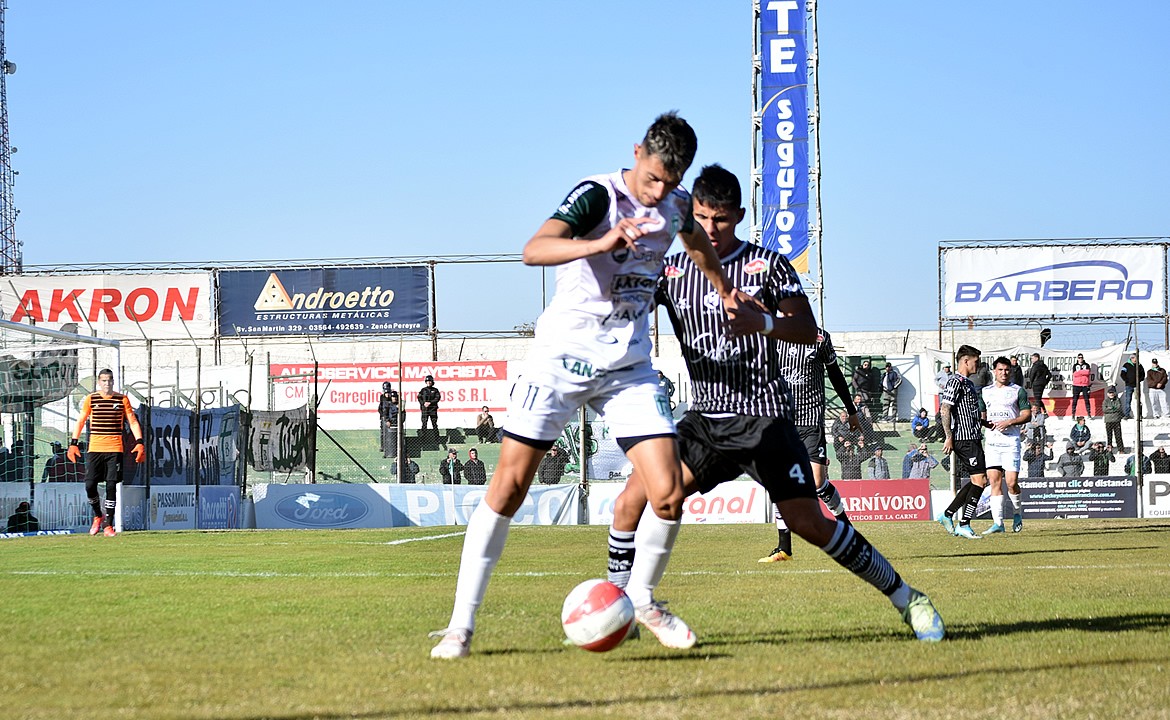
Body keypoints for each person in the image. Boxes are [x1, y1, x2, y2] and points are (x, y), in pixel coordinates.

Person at [431, 113, 745, 659]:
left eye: (672, 183)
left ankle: (643, 600)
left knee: (668, 495)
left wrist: (721, 287)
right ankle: (460, 625)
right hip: (561, 360)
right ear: (637, 153)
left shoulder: (674, 204)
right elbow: (535, 248)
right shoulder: (597, 196)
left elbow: (696, 242)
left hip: (627, 369)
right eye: (652, 179)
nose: (659, 193)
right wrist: (599, 244)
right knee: (508, 488)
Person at [606, 163, 943, 643]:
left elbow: (808, 331)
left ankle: (907, 598)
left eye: (721, 219)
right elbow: (624, 298)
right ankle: (623, 611)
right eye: (701, 217)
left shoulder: (767, 265)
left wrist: (763, 324)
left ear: (739, 215)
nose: (711, 229)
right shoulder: (673, 269)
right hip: (705, 420)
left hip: (765, 421)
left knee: (810, 524)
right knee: (632, 499)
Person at [759, 325, 859, 563]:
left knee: (816, 482)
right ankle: (784, 548)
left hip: (811, 421)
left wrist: (851, 409)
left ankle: (847, 529)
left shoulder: (820, 337)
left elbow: (835, 374)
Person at [68, 369, 145, 537]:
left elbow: (132, 421)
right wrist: (73, 443)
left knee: (111, 485)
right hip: (95, 448)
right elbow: (81, 420)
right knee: (89, 484)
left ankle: (109, 525)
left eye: (110, 380)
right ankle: (97, 515)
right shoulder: (91, 399)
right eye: (104, 380)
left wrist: (139, 442)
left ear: (113, 382)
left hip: (115, 448)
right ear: (99, 382)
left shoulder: (122, 399)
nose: (107, 383)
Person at [936, 345, 989, 540]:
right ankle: (963, 524)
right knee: (980, 481)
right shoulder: (955, 382)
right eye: (976, 361)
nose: (979, 365)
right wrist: (948, 436)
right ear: (966, 361)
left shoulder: (967, 383)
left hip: (973, 437)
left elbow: (965, 411)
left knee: (979, 481)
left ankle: (947, 515)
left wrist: (983, 422)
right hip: (964, 439)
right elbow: (945, 409)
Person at [980, 356, 1032, 534]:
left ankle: (1017, 513)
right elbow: (982, 416)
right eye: (1000, 370)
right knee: (994, 482)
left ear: (1011, 371)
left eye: (1007, 370)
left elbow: (1027, 415)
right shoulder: (985, 391)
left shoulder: (1018, 391)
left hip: (1011, 441)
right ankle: (998, 523)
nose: (1004, 373)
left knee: (1011, 483)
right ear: (994, 371)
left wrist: (1010, 421)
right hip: (993, 442)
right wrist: (986, 423)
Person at [377, 383, 401, 458]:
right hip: (384, 417)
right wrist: (383, 417)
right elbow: (381, 408)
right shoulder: (382, 398)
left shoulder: (393, 399)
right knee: (383, 432)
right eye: (386, 392)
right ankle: (383, 446)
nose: (387, 394)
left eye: (388, 392)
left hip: (390, 418)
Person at [1119, 354, 1144, 420]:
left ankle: (1140, 415)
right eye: (1133, 358)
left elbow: (1143, 374)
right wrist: (1127, 381)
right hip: (1129, 386)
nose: (1135, 359)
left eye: (1136, 358)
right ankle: (1127, 415)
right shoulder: (1126, 365)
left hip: (1137, 386)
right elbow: (1122, 374)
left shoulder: (1139, 365)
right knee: (1128, 400)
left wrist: (1139, 380)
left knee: (1138, 401)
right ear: (1131, 358)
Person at [1103, 387, 1126, 452]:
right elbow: (1104, 410)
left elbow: (1118, 408)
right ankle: (1109, 448)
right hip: (1108, 421)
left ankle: (1121, 449)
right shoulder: (1105, 401)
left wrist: (1110, 408)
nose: (1111, 394)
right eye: (1110, 393)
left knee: (1118, 436)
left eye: (1112, 393)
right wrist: (1113, 409)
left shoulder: (1117, 400)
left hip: (1116, 420)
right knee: (1109, 436)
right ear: (1107, 394)